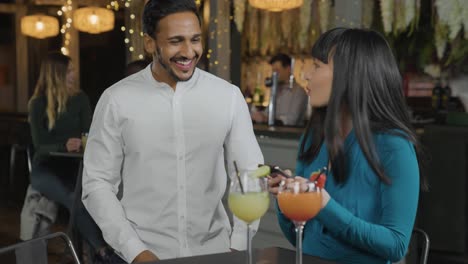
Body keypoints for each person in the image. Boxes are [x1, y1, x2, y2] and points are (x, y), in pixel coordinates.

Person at [81, 0, 263, 263]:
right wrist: (136, 251)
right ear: (150, 43)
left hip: (215, 252)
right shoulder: (116, 100)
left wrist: (237, 244)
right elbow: (97, 183)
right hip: (141, 254)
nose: (189, 52)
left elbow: (250, 174)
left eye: (195, 40)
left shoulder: (228, 97)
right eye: (176, 41)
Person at [268, 28, 426, 264]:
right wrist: (288, 198)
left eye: (317, 65)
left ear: (350, 74)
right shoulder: (314, 137)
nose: (306, 75)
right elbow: (302, 240)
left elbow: (395, 245)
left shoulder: (393, 145)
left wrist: (325, 206)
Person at [28, 52, 115, 263]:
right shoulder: (37, 103)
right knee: (73, 196)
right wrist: (63, 145)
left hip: (76, 165)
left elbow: (89, 132)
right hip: (45, 168)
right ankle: (103, 251)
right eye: (69, 70)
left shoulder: (80, 98)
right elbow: (39, 145)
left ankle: (95, 254)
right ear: (57, 75)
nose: (74, 73)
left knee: (97, 197)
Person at [251, 53, 308, 126]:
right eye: (273, 71)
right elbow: (268, 112)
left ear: (288, 69)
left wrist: (265, 119)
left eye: (277, 70)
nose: (274, 74)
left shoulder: (299, 92)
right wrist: (257, 115)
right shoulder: (276, 89)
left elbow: (292, 120)